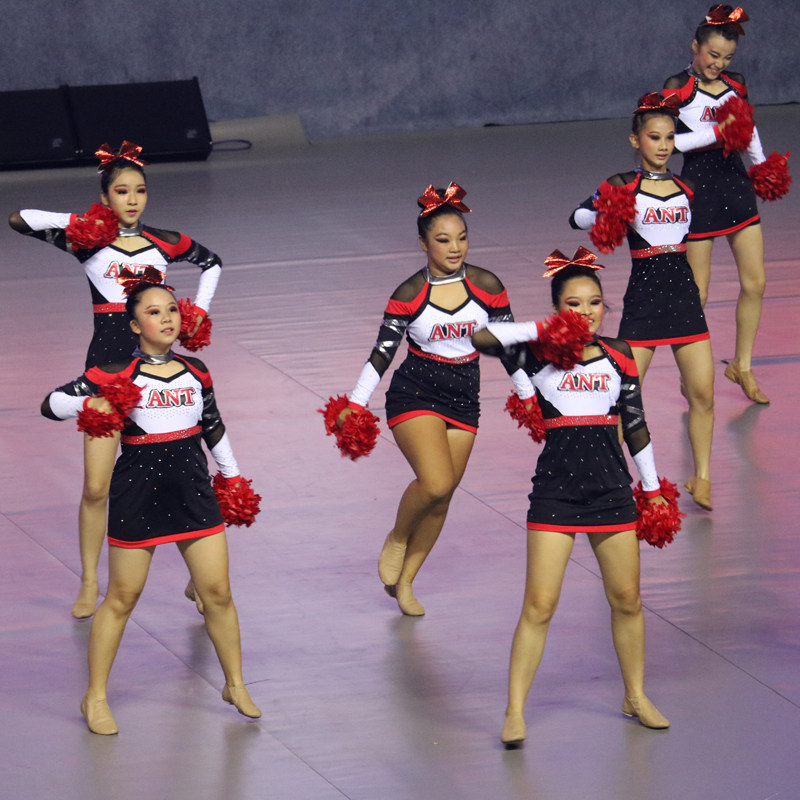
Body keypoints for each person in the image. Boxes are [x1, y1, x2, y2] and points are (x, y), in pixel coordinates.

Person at [10, 141, 222, 618]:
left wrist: (198, 314)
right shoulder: (88, 241)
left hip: (161, 372)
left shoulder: (165, 242)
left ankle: (199, 576)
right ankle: (90, 580)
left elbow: (212, 262)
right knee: (96, 487)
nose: (132, 199)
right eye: (121, 191)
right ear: (105, 197)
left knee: (183, 470)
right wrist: (82, 221)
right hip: (107, 375)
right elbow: (19, 220)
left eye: (140, 190)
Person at [41, 283, 259, 734]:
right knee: (122, 598)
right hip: (138, 494)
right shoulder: (116, 372)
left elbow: (213, 424)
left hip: (193, 492)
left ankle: (235, 684)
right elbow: (51, 404)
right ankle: (94, 697)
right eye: (154, 312)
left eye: (172, 310)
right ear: (135, 325)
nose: (167, 318)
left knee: (218, 592)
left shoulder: (197, 370)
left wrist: (232, 476)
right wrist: (92, 401)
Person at [472, 257, 670, 747]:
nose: (586, 312)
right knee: (539, 605)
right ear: (557, 309)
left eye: (595, 303)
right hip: (556, 493)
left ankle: (635, 694)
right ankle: (515, 710)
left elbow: (635, 423)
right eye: (573, 304)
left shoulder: (621, 354)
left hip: (611, 492)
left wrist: (651, 491)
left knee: (627, 599)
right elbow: (481, 337)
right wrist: (545, 329)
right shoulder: (537, 353)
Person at [336, 183, 537, 616]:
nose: (455, 248)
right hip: (416, 392)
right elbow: (382, 352)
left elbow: (508, 345)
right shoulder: (408, 294)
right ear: (423, 243)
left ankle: (406, 582)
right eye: (443, 240)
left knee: (443, 497)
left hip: (464, 397)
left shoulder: (487, 285)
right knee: (436, 482)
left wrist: (528, 395)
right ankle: (396, 538)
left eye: (462, 238)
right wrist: (356, 402)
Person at [569, 93, 715, 510]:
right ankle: (608, 481)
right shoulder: (621, 185)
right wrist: (607, 213)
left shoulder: (687, 187)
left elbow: (696, 245)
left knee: (703, 394)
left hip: (684, 299)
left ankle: (702, 476)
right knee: (625, 399)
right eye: (654, 137)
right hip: (645, 299)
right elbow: (576, 218)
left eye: (669, 137)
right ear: (636, 140)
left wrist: (700, 291)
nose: (664, 145)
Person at [663, 4, 770, 404]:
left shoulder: (735, 84)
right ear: (695, 46)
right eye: (712, 55)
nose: (719, 64)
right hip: (698, 191)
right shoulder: (677, 87)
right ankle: (691, 372)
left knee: (756, 282)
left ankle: (742, 364)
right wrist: (717, 132)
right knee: (699, 295)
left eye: (727, 57)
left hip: (735, 185)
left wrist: (762, 167)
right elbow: (667, 143)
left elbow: (747, 127)